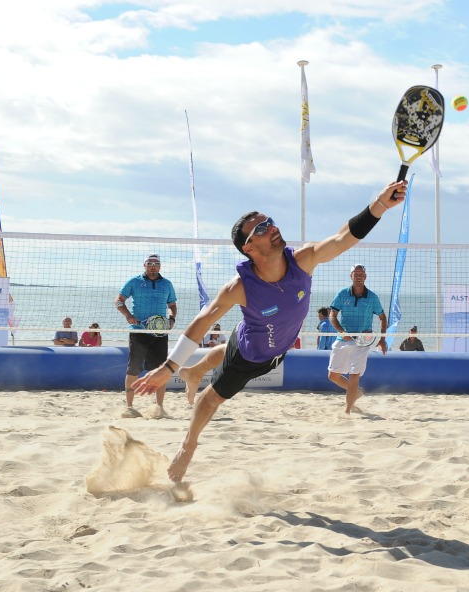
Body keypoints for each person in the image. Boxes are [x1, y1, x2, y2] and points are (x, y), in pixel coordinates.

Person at [132, 180, 406, 482]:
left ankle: (195, 371)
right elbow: (203, 321)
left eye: (270, 222)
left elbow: (343, 238)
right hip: (250, 354)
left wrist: (379, 205)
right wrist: (169, 366)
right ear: (248, 247)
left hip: (270, 343)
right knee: (210, 399)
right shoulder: (240, 287)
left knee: (230, 348)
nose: (272, 228)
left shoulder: (303, 260)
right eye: (261, 229)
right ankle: (187, 446)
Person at [115, 254, 179, 419]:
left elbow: (172, 305)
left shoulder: (166, 284)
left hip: (159, 332)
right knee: (133, 369)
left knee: (160, 370)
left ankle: (159, 408)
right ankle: (129, 408)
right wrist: (128, 315)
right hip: (139, 332)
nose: (153, 266)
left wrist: (172, 319)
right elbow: (119, 301)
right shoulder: (134, 282)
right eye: (149, 263)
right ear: (144, 265)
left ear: (160, 267)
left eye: (156, 264)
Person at [328, 264, 388, 415]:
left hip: (363, 340)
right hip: (343, 338)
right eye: (356, 273)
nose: (359, 276)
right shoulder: (342, 294)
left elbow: (382, 317)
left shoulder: (373, 297)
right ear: (351, 276)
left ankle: (347, 411)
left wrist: (382, 339)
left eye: (361, 274)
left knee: (354, 375)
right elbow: (332, 315)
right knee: (332, 375)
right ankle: (355, 392)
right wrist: (342, 331)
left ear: (366, 277)